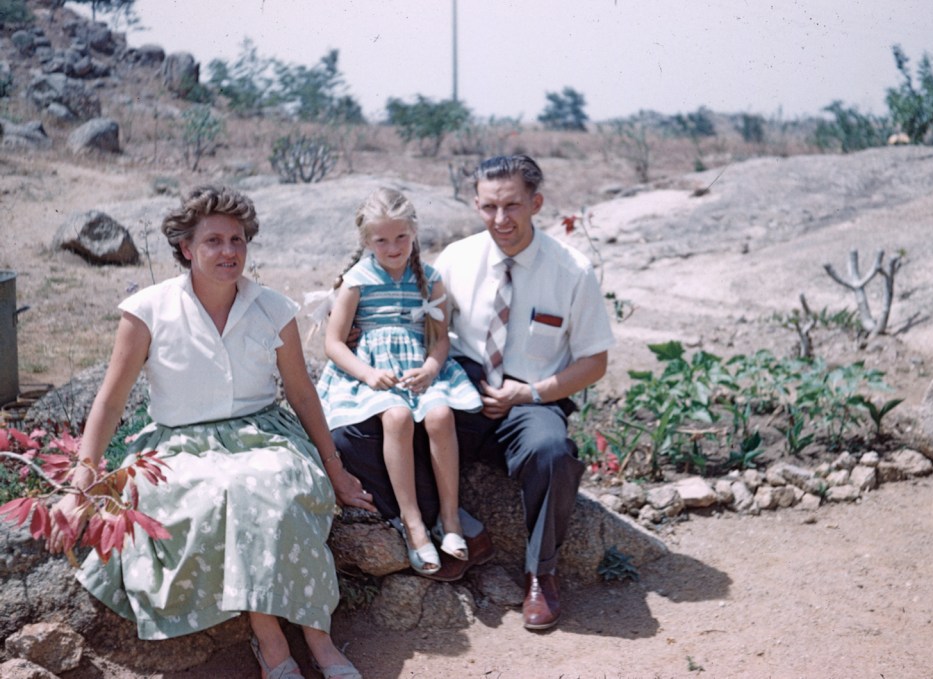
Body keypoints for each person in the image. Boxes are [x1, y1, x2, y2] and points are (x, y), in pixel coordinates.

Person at [47, 186, 370, 679]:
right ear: (186, 249)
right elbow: (110, 401)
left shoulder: (272, 308)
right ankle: (273, 645)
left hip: (266, 436)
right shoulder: (147, 310)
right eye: (214, 241)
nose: (229, 252)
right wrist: (79, 487)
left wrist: (336, 470)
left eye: (237, 240)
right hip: (180, 445)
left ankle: (318, 639)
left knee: (274, 488)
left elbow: (303, 396)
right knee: (228, 493)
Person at [335, 155, 615, 630]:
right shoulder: (456, 259)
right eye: (489, 207)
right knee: (352, 439)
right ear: (476, 205)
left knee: (552, 451)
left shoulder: (573, 270)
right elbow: (423, 326)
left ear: (536, 203)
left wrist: (531, 394)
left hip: (530, 397)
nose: (500, 220)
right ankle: (459, 528)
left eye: (512, 206)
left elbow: (595, 361)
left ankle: (540, 574)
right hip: (460, 387)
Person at [315, 187, 482, 576]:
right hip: (373, 373)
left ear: (414, 233)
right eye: (382, 240)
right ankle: (413, 524)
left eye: (401, 237)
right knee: (396, 417)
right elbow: (333, 343)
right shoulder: (357, 281)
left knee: (440, 416)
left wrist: (430, 368)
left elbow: (441, 339)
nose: (393, 247)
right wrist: (368, 373)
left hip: (416, 371)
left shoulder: (430, 279)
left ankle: (450, 519)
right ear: (366, 240)